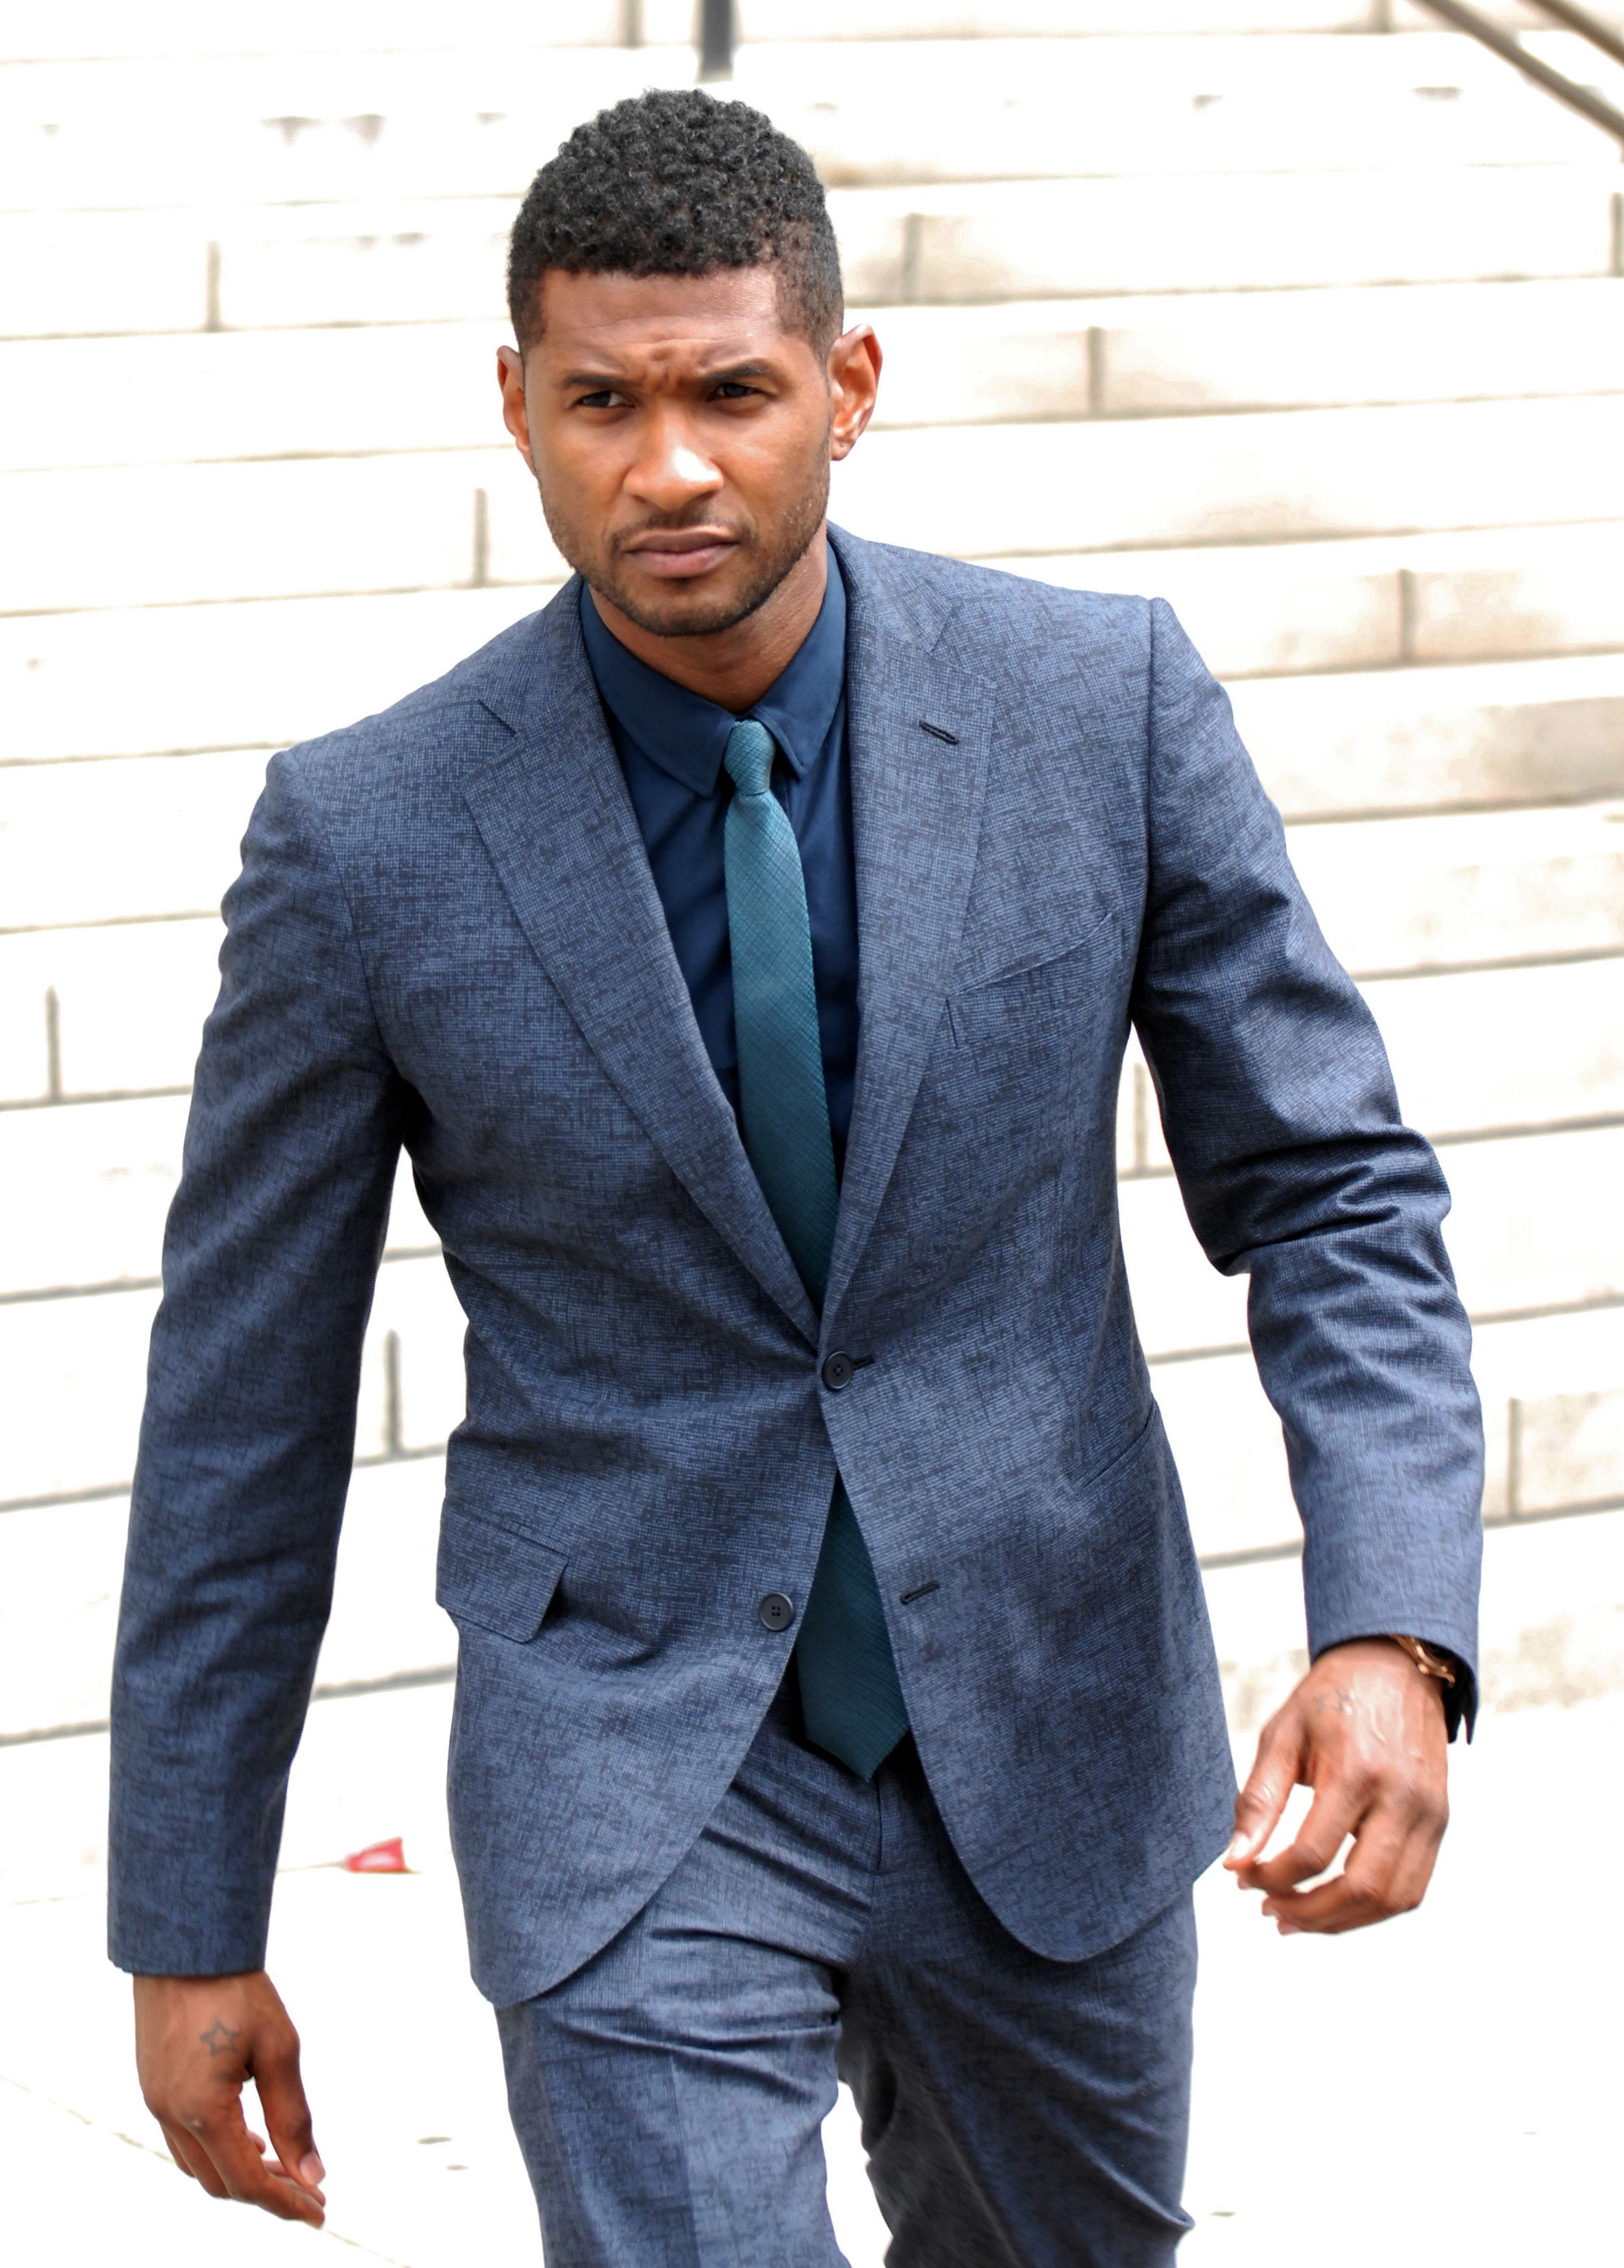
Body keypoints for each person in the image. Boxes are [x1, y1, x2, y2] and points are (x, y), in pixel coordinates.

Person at [111, 88, 1483, 2267]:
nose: (669, 464)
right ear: (516, 406)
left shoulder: (1096, 710)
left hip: (1046, 1724)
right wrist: (183, 1923)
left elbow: (1330, 1189)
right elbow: (239, 1411)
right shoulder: (366, 840)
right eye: (604, 401)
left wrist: (1392, 1622)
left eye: (731, 390)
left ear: (845, 388)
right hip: (635, 1767)